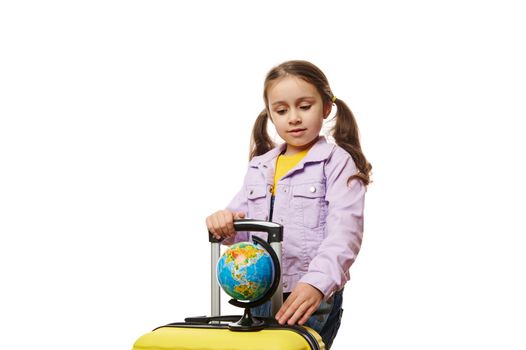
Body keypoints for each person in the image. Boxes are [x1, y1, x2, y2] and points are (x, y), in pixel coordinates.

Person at [206, 60, 371, 349]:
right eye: (282, 110)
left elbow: (345, 233)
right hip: (258, 293)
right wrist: (224, 222)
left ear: (327, 108)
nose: (293, 118)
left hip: (307, 295)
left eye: (304, 106)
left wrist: (317, 284)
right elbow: (240, 227)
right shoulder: (260, 166)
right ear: (270, 114)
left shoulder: (336, 163)